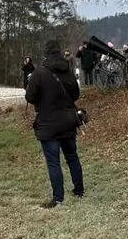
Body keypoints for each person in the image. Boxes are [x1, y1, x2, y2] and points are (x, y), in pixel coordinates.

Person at [24, 40, 85, 208]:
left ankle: (58, 199)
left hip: (48, 122)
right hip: (68, 120)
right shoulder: (68, 70)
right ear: (59, 52)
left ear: (45, 53)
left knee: (53, 161)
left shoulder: (40, 73)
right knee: (72, 156)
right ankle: (79, 191)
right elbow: (76, 93)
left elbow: (29, 97)